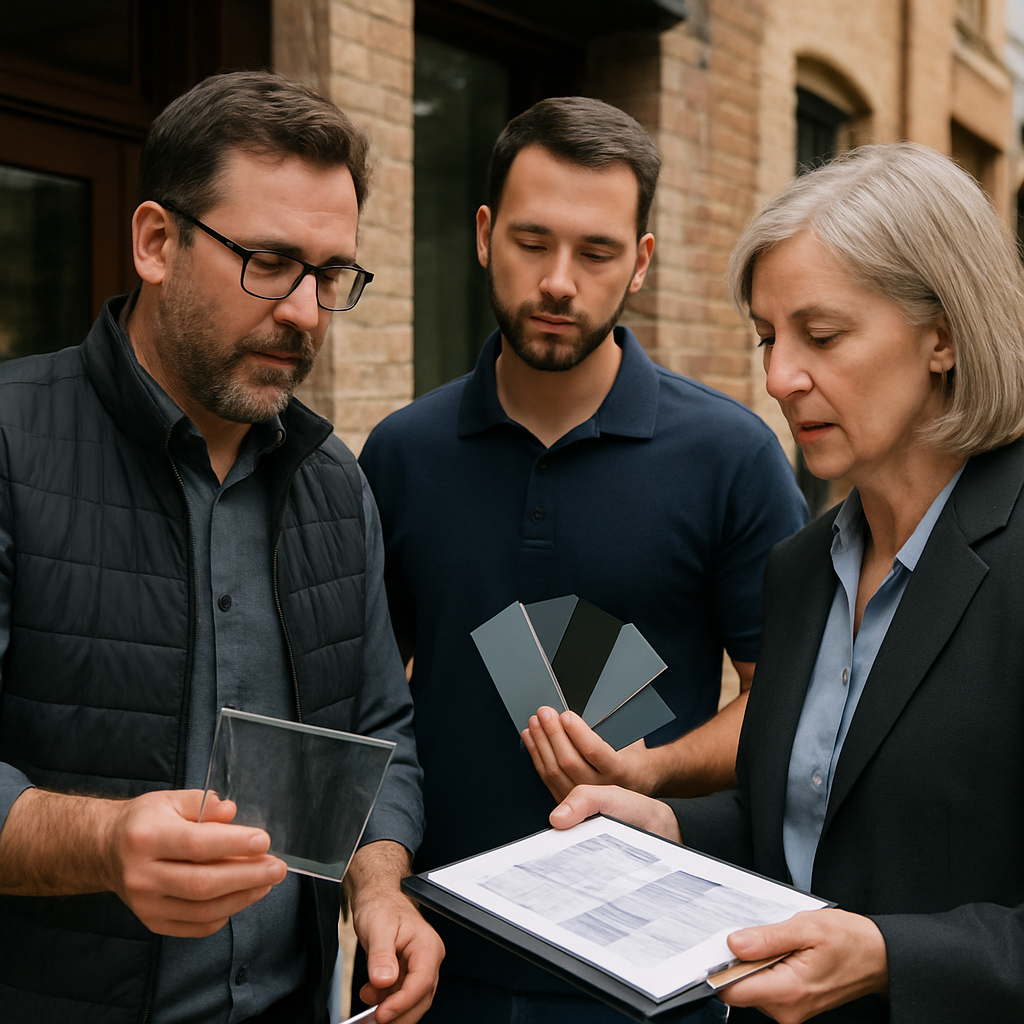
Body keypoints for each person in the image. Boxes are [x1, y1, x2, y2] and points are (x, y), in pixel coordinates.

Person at [0, 71, 443, 1024]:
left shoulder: (337, 486)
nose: (306, 311)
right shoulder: (6, 443)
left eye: (330, 275)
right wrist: (102, 841)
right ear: (156, 242)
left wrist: (379, 887)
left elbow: (380, 735)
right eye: (270, 261)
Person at [549, 142, 1024, 1023]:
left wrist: (891, 957)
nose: (778, 378)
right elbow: (808, 822)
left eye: (824, 335)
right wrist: (674, 828)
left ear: (945, 335)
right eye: (768, 337)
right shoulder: (800, 570)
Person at [358, 96, 807, 1022]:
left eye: (597, 251)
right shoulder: (403, 454)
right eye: (532, 242)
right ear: (483, 236)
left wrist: (653, 771)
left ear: (640, 261)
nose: (559, 281)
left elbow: (790, 706)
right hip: (440, 959)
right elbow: (368, 701)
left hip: (653, 974)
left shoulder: (732, 457)